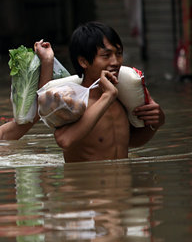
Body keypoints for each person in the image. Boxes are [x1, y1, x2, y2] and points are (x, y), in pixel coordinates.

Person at [53, 21, 165, 163]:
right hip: (85, 184)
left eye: (118, 54)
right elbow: (65, 141)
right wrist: (107, 96)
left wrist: (155, 124)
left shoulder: (122, 97)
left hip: (121, 184)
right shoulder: (71, 100)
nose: (116, 62)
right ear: (83, 62)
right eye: (106, 56)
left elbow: (129, 142)